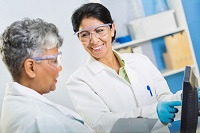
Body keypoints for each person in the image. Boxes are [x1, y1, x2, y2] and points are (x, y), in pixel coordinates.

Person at [65, 3, 198, 132]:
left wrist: (187, 99)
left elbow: (164, 100)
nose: (93, 40)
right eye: (85, 34)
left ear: (112, 29)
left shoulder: (141, 61)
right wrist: (154, 114)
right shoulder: (78, 81)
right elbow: (103, 124)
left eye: (99, 30)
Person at [0, 18, 93, 133]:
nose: (60, 68)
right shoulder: (41, 119)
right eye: (54, 61)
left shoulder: (17, 106)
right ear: (31, 67)